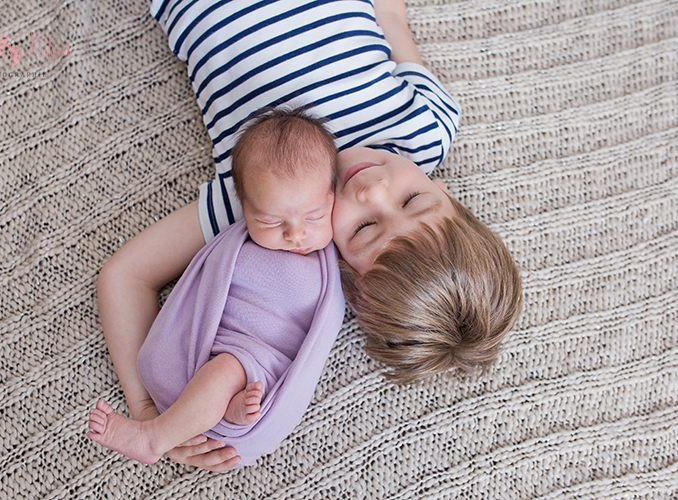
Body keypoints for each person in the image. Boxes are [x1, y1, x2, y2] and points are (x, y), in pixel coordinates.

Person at [95, 0, 522, 471]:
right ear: (448, 195)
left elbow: (126, 275)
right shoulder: (427, 128)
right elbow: (393, 20)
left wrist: (150, 414)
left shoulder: (264, 206)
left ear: (342, 271)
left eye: (364, 227)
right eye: (414, 199)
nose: (373, 188)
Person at [88, 109, 345, 466]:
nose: (295, 234)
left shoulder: (338, 251)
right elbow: (196, 290)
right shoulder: (235, 234)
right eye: (269, 220)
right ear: (244, 205)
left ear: (333, 194)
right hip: (217, 345)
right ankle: (168, 427)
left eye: (314, 216)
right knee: (223, 370)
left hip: (263, 363)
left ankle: (174, 431)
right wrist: (144, 407)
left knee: (229, 372)